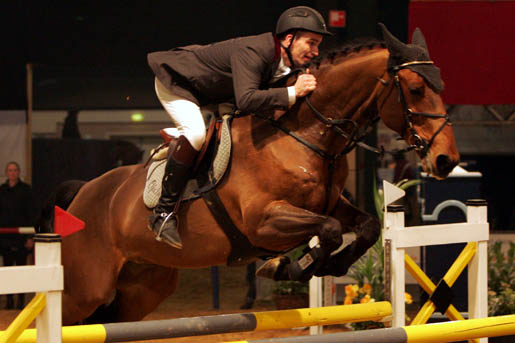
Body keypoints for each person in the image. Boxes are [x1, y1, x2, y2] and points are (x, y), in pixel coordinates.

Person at [147, 6, 332, 248]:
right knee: (195, 133)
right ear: (289, 38)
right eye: (311, 43)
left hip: (219, 94)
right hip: (179, 82)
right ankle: (163, 213)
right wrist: (293, 91)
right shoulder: (254, 51)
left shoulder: (286, 64)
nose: (315, 51)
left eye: (318, 45)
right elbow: (246, 99)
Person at [0, 161, 35, 309]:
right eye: (10, 170)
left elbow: (31, 214)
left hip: (22, 237)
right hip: (4, 238)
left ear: (18, 172)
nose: (12, 173)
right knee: (7, 268)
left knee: (21, 269)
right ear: (6, 173)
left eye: (15, 170)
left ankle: (20, 300)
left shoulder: (26, 190)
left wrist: (30, 237)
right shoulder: (1, 190)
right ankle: (9, 300)